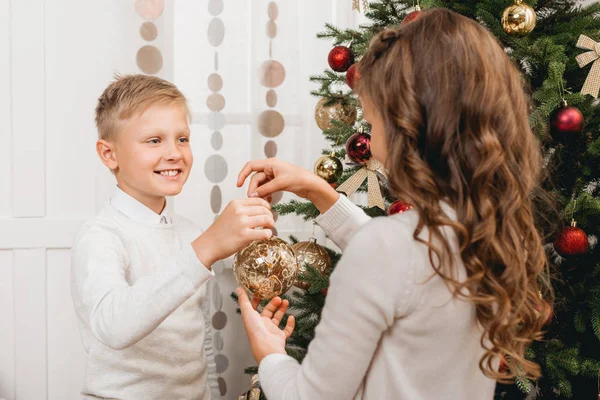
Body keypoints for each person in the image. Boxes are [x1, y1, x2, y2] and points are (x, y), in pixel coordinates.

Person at [235, 8, 552, 400]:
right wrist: (319, 191)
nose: (371, 137)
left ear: (408, 126)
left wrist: (271, 356)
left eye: (372, 121)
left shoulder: (390, 248)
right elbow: (409, 265)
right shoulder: (486, 228)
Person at [71, 74, 274, 399]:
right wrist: (205, 248)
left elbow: (197, 339)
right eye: (154, 140)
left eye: (182, 139)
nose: (175, 153)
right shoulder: (101, 236)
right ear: (110, 155)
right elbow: (113, 326)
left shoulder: (188, 232)